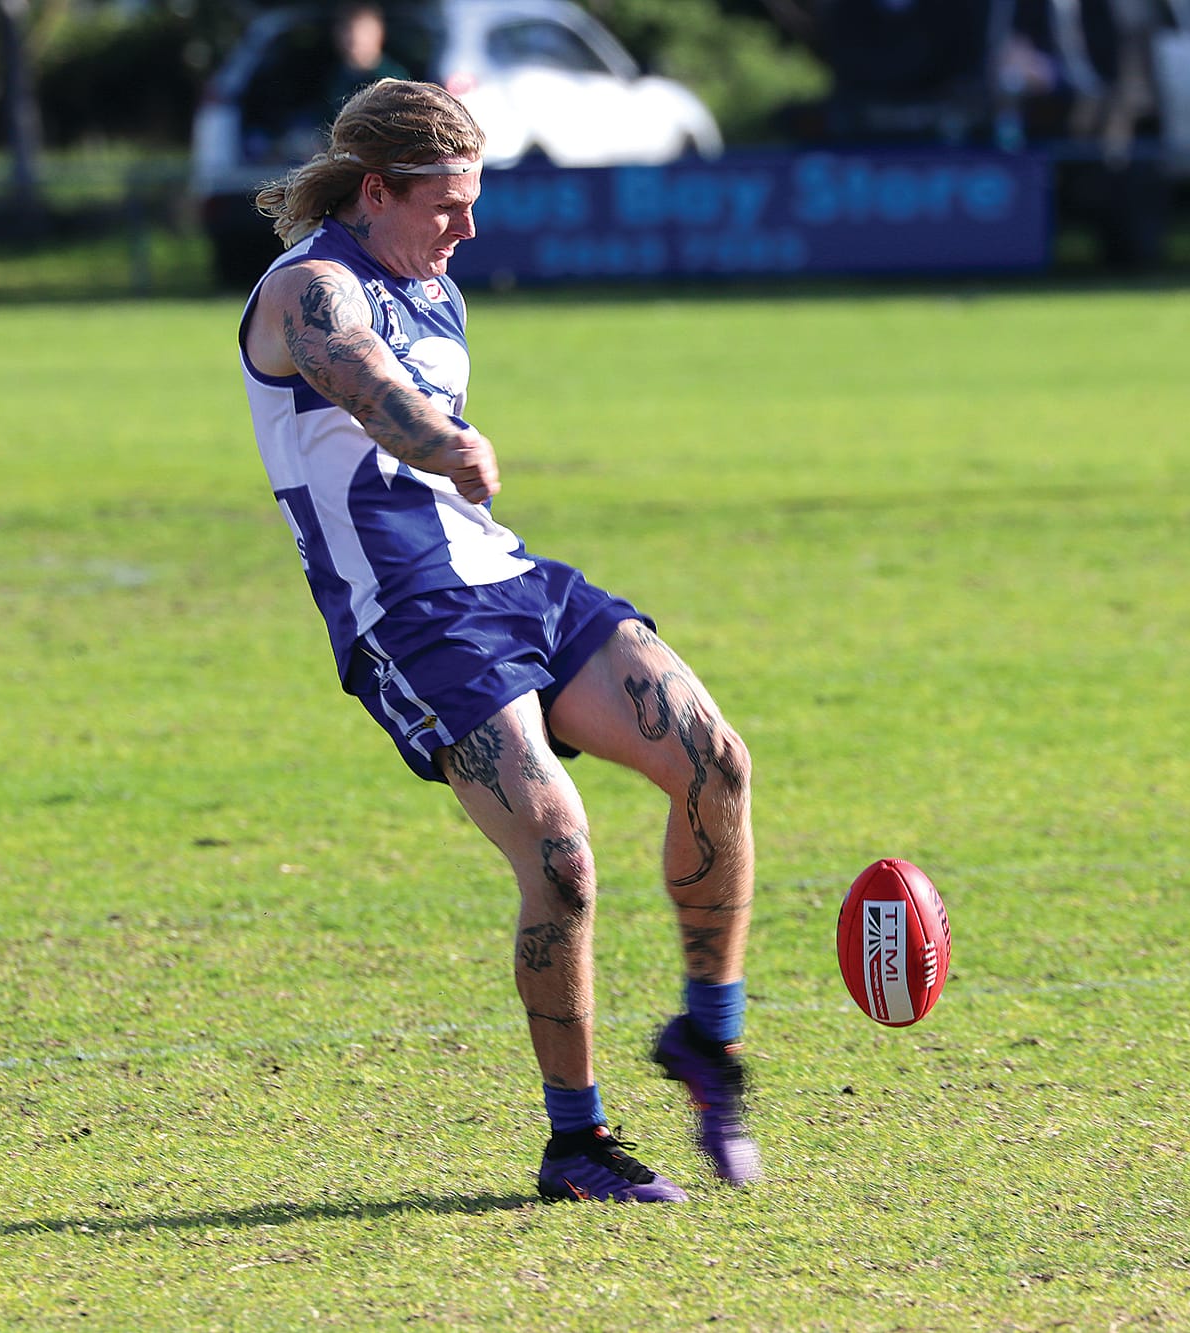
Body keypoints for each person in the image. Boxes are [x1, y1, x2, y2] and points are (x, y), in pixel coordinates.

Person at [237, 79, 761, 1204]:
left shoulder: (436, 282)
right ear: (375, 191)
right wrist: (442, 442)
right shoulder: (307, 290)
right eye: (446, 204)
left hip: (508, 577)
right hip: (408, 615)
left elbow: (413, 351)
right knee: (561, 856)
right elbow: (366, 386)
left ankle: (705, 1039)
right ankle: (576, 1143)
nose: (468, 228)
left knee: (714, 761)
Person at [325, 2, 410, 112]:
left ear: (379, 32)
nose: (354, 38)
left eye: (363, 31)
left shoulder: (394, 78)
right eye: (347, 30)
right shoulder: (332, 78)